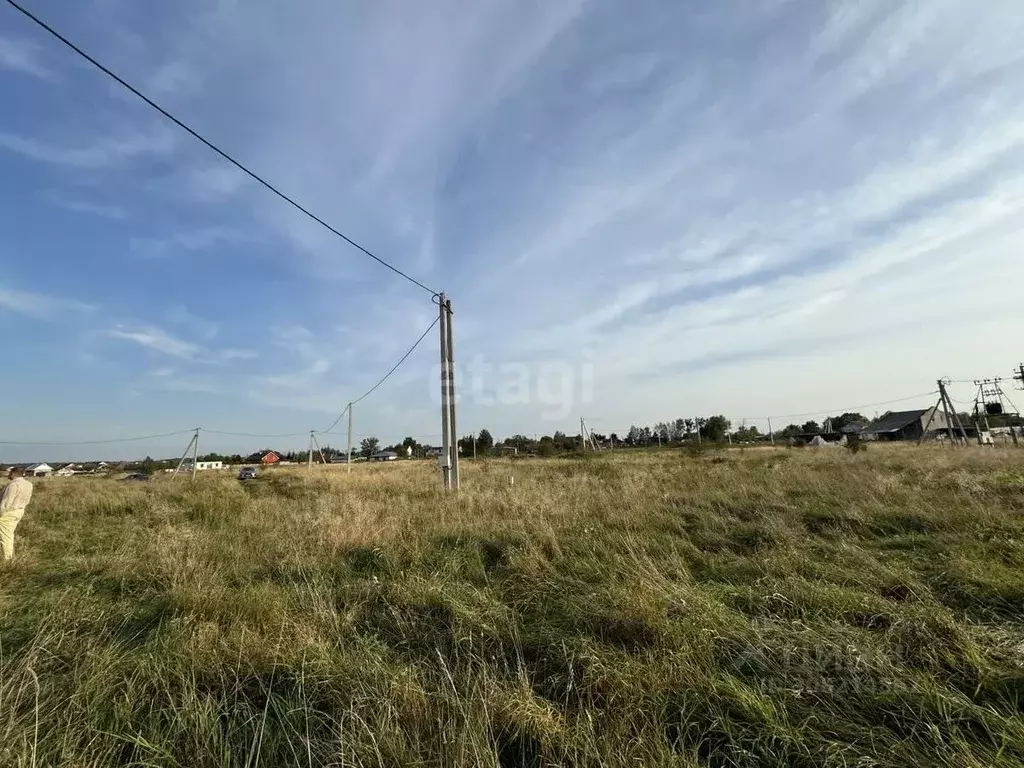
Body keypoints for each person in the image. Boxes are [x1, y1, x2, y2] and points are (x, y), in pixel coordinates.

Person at [0, 467, 33, 562]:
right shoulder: (29, 484)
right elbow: (27, 500)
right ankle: (9, 557)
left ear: (13, 474)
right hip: (19, 511)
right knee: (8, 534)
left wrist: (1, 513)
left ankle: (7, 560)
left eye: (10, 473)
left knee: (5, 537)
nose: (8, 475)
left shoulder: (13, 485)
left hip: (8, 513)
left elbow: (6, 503)